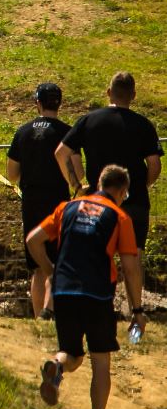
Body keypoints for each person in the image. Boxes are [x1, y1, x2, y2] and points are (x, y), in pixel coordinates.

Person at [31, 164, 146, 409]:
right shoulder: (119, 216)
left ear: (99, 183)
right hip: (97, 294)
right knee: (100, 362)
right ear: (122, 191)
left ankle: (57, 367)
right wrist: (137, 310)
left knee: (71, 354)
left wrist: (50, 270)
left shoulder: (67, 207)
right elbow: (131, 268)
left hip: (64, 291)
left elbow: (33, 240)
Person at [60, 73, 159, 267]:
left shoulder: (88, 120)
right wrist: (142, 185)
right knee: (133, 262)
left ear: (108, 92)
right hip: (135, 200)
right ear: (133, 95)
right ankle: (133, 290)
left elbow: (61, 153)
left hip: (98, 201)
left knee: (97, 259)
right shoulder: (143, 124)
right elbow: (154, 164)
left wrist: (76, 186)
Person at [2, 82, 77, 319]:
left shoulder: (22, 132)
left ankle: (38, 320)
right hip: (58, 203)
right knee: (58, 261)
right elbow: (78, 172)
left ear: (38, 103)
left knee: (37, 266)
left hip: (31, 203)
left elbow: (11, 174)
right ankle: (51, 313)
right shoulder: (68, 132)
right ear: (59, 103)